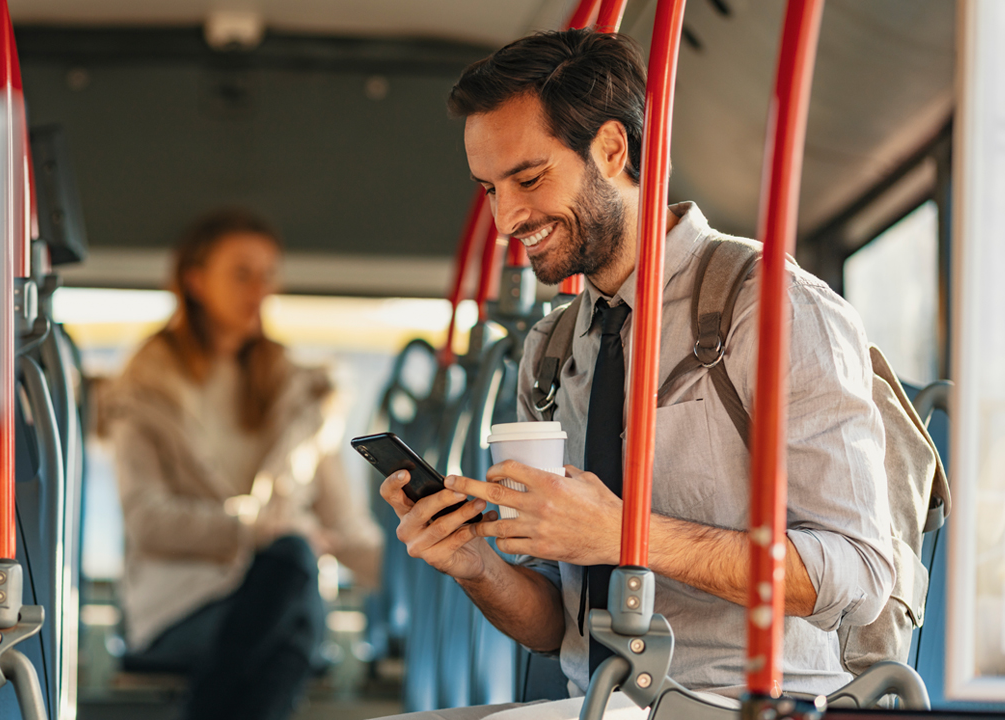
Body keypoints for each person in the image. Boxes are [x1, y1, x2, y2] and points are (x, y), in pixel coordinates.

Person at [377, 30, 894, 719]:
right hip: (593, 700)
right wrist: (477, 567)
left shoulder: (769, 306)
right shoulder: (552, 350)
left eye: (529, 180)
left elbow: (862, 574)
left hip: (744, 699)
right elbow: (555, 626)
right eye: (489, 190)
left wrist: (629, 536)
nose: (507, 218)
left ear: (613, 150)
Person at [102, 208, 382, 720]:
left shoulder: (297, 396)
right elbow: (148, 522)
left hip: (283, 597)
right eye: (242, 272)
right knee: (294, 593)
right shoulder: (144, 394)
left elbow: (344, 526)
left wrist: (431, 568)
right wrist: (260, 531)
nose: (260, 288)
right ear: (195, 280)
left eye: (268, 274)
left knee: (292, 588)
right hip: (181, 605)